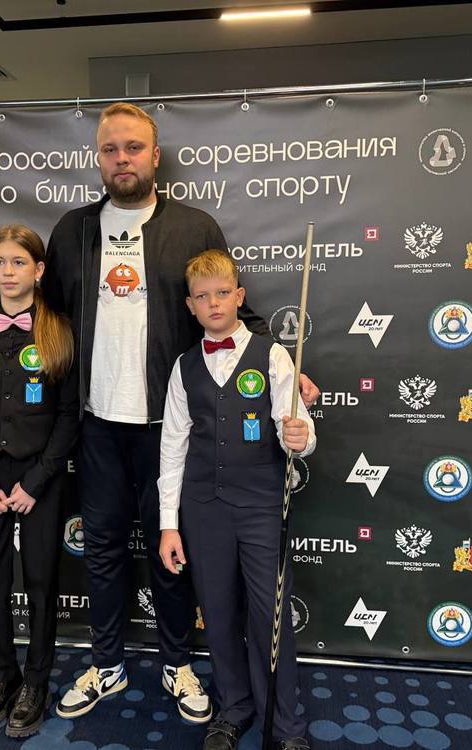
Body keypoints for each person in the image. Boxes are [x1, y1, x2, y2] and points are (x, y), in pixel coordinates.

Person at [0, 102, 321, 723]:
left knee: (173, 549)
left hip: (170, 428)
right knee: (102, 550)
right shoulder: (73, 230)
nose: (122, 159)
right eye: (111, 149)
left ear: (155, 156)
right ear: (98, 157)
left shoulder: (195, 227)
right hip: (95, 425)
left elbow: (230, 310)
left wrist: (281, 363)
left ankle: (177, 664)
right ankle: (108, 663)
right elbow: (42, 316)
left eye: (134, 148)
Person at [158, 250, 315, 750]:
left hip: (261, 506)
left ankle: (285, 724)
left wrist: (301, 436)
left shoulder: (272, 355)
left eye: (223, 293)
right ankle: (234, 707)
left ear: (239, 296)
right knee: (219, 612)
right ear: (190, 305)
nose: (214, 303)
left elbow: (298, 430)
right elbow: (172, 448)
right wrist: (168, 524)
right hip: (203, 509)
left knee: (269, 616)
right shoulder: (183, 367)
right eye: (202, 296)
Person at [0, 225, 79, 737]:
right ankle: (4, 676)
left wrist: (36, 482)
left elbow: (68, 417)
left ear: (38, 270)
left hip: (38, 478)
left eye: (19, 262)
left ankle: (36, 682)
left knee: (42, 580)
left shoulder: (60, 331)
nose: (8, 271)